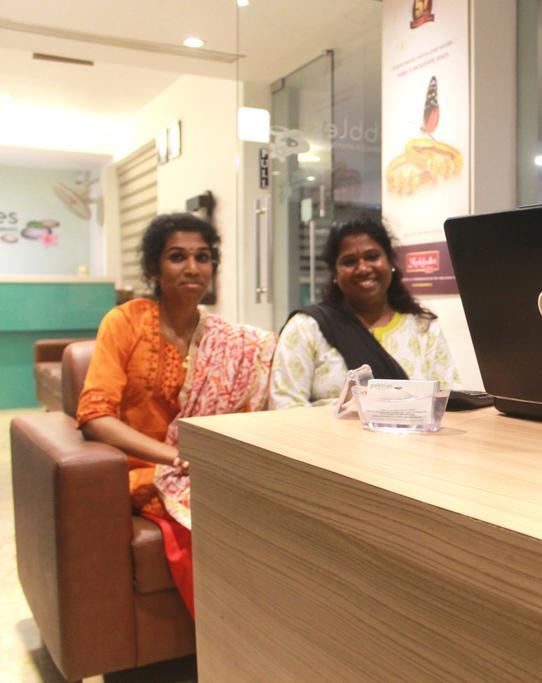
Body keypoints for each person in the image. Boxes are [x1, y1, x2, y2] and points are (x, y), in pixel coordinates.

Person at [77, 213, 275, 618]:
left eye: (202, 257)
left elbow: (242, 415)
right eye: (177, 257)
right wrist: (175, 457)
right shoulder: (126, 323)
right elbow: (95, 416)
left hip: (205, 466)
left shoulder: (226, 339)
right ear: (154, 267)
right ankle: (227, 633)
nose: (192, 268)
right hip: (143, 472)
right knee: (212, 521)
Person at [270, 217, 459, 408]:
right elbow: (284, 404)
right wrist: (343, 409)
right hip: (324, 429)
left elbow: (449, 402)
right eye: (349, 261)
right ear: (335, 273)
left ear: (390, 262)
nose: (363, 268)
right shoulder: (306, 328)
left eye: (372, 257)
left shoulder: (424, 328)